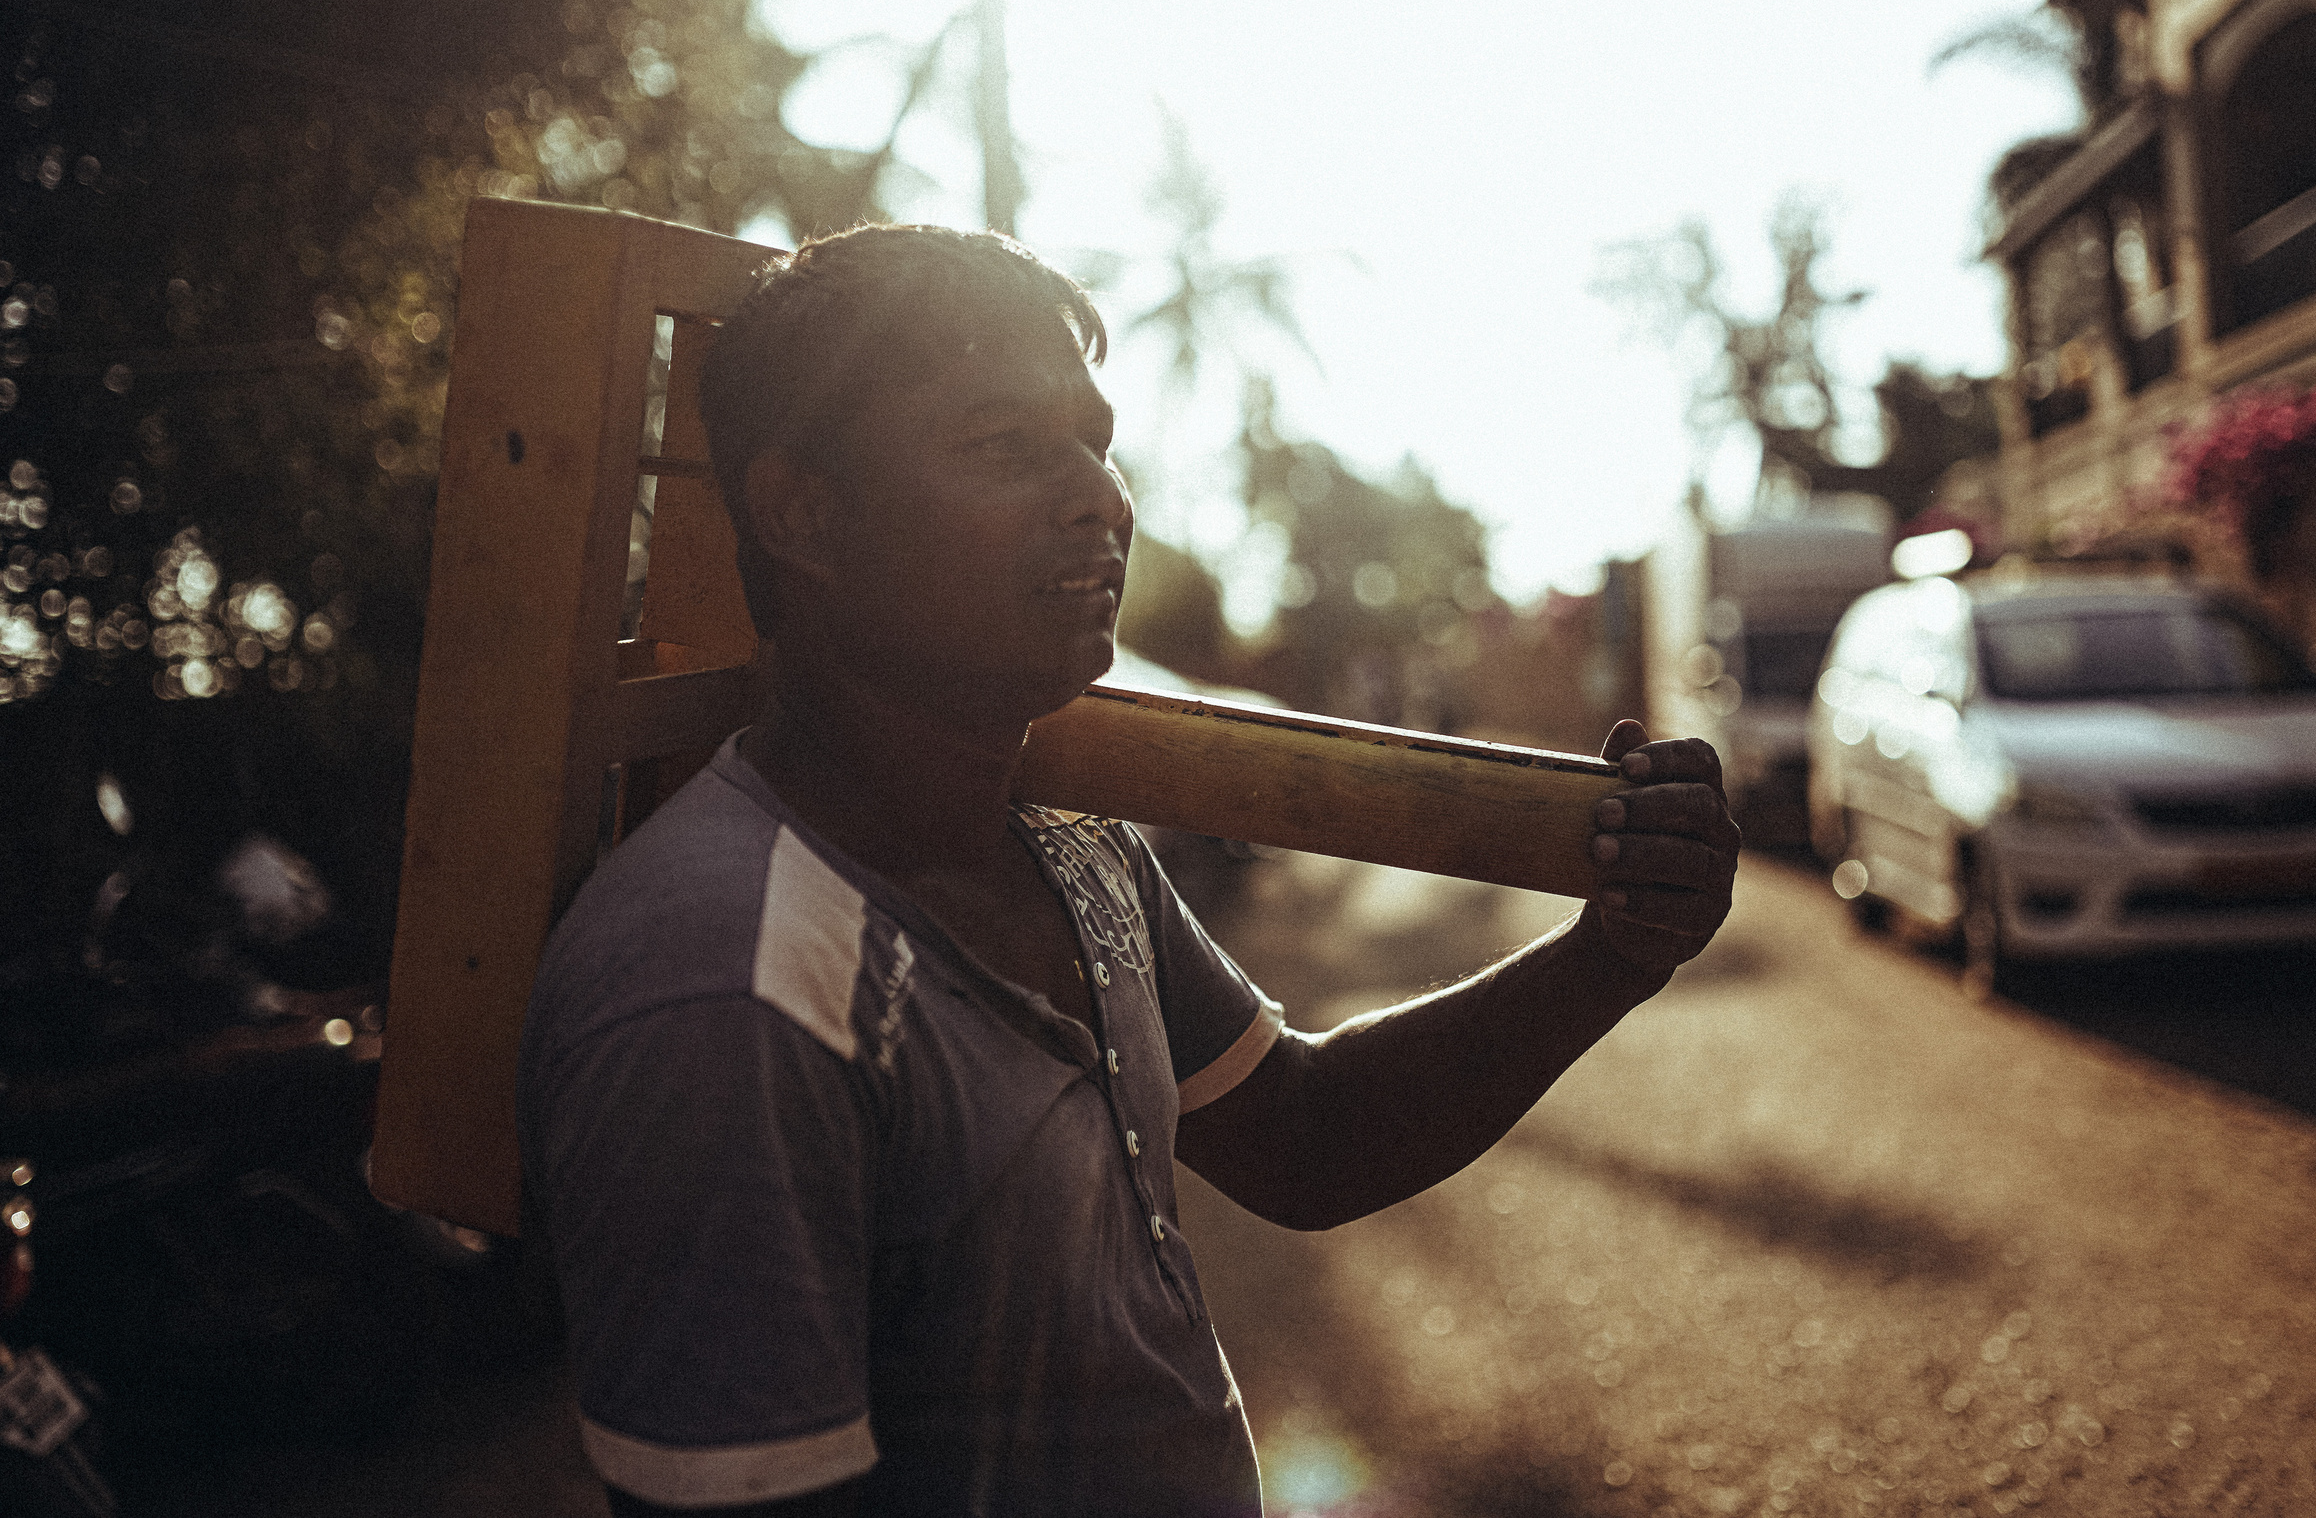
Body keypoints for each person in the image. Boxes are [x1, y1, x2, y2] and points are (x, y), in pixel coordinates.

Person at [517, 225, 1740, 1517]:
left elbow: (1306, 1138)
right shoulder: (727, 995)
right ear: (805, 513)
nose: (1101, 497)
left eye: (1096, 443)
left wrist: (1615, 953)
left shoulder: (1069, 845)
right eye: (1004, 447)